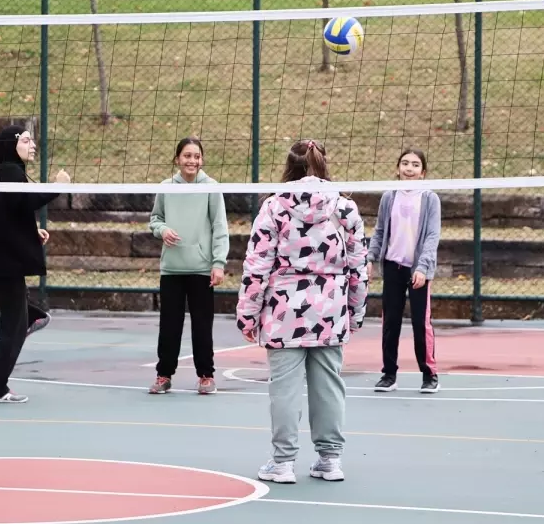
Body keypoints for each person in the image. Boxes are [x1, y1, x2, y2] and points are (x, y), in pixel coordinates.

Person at [237, 139, 368, 484]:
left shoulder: (273, 207)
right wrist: (356, 311)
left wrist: (247, 315)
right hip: (330, 308)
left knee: (284, 389)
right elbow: (359, 266)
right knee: (328, 386)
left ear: (289, 168)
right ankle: (330, 459)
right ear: (324, 166)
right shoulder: (345, 208)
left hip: (284, 312)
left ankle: (282, 463)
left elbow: (256, 265)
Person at [0, 125, 70, 404]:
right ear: (11, 145)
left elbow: (9, 212)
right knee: (13, 326)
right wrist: (59, 187)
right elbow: (29, 200)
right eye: (26, 140)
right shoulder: (11, 172)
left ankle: (30, 319)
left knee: (16, 318)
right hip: (2, 258)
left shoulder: (7, 172)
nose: (32, 145)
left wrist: (31, 232)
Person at [147, 137, 229, 395]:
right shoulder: (166, 187)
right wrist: (162, 230)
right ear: (178, 159)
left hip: (201, 268)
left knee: (202, 326)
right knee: (169, 325)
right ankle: (163, 375)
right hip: (171, 269)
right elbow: (155, 219)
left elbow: (219, 227)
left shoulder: (211, 187)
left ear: (201, 160)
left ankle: (206, 375)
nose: (192, 160)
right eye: (187, 156)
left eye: (196, 156)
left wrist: (218, 263)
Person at [366, 148, 442, 393]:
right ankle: (389, 374)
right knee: (391, 322)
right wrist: (370, 258)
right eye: (405, 163)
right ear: (398, 168)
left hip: (418, 270)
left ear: (423, 172)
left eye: (415, 164)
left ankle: (429, 374)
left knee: (421, 324)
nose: (409, 168)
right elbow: (379, 232)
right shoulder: (389, 196)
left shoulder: (430, 198)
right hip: (392, 267)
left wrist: (423, 267)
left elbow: (432, 237)